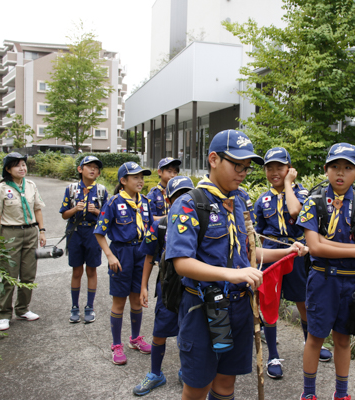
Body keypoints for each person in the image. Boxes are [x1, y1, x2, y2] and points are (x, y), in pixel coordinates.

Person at [166, 129, 308, 400]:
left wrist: (287, 251)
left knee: (225, 385)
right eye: (236, 164)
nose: (242, 172)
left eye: (246, 167)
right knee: (197, 387)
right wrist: (234, 274)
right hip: (202, 308)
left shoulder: (241, 200)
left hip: (240, 307)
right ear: (214, 159)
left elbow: (249, 255)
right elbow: (182, 263)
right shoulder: (189, 204)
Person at [297, 143, 355, 400]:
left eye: (348, 167)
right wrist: (352, 250)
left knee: (343, 340)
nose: (340, 173)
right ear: (326, 169)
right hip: (321, 280)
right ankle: (309, 394)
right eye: (335, 166)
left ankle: (342, 393)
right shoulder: (314, 202)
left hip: (350, 285)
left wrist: (327, 244)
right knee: (315, 337)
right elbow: (313, 248)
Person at [254, 147, 332, 380]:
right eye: (270, 168)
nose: (274, 172)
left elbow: (296, 212)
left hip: (296, 254)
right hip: (271, 256)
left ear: (290, 169)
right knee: (270, 303)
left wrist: (288, 184)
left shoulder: (303, 193)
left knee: (303, 301)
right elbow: (257, 233)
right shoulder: (262, 200)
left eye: (280, 167)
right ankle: (273, 355)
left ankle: (312, 344)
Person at [133, 175, 195, 396]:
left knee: (187, 334)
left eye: (187, 195)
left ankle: (185, 371)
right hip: (168, 289)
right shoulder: (160, 226)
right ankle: (156, 374)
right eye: (177, 196)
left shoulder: (200, 224)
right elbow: (149, 257)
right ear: (168, 201)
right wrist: (144, 287)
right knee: (159, 333)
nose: (182, 200)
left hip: (192, 289)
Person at [94, 161, 154, 365]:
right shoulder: (113, 203)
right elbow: (99, 232)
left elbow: (151, 228)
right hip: (121, 253)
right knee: (119, 301)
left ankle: (135, 339)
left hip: (141, 252)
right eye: (135, 177)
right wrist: (110, 256)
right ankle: (116, 345)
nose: (140, 181)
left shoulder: (145, 202)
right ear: (123, 181)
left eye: (142, 177)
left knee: (136, 299)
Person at [0, 152, 46, 331]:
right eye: (17, 165)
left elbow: (37, 209)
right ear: (8, 169)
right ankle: (4, 314)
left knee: (28, 274)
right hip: (9, 234)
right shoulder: (1, 189)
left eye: (23, 164)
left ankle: (23, 309)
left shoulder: (30, 185)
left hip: (30, 232)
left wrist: (41, 231)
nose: (22, 168)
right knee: (9, 275)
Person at [59, 155, 108, 324]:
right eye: (89, 166)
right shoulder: (71, 189)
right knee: (77, 270)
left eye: (96, 167)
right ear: (80, 169)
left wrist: (96, 212)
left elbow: (107, 217)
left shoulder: (101, 190)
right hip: (75, 232)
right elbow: (64, 214)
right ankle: (74, 306)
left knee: (92, 270)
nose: (93, 169)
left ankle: (89, 307)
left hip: (93, 233)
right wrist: (75, 209)